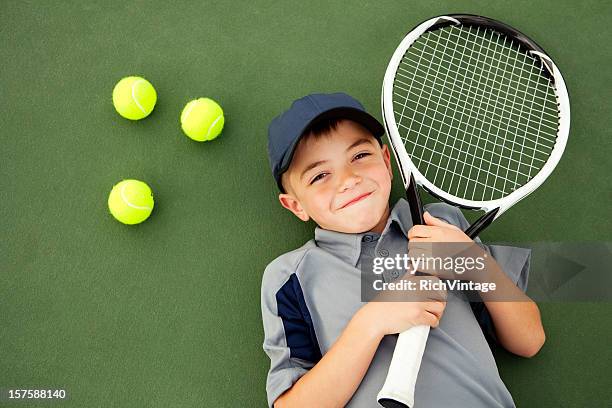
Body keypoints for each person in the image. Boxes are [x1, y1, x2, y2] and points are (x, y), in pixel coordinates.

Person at [261, 93, 545, 407]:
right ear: (295, 205)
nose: (348, 180)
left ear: (386, 161)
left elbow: (529, 340)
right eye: (320, 176)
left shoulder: (441, 224)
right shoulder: (289, 277)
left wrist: (476, 263)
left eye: (359, 156)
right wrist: (371, 322)